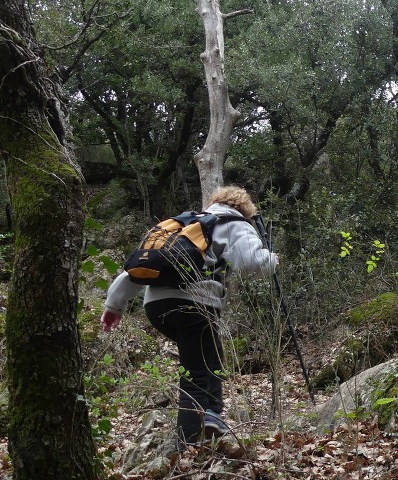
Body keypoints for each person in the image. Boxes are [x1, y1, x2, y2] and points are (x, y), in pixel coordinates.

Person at [101, 186, 278, 446]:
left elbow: (145, 265)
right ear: (245, 208)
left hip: (156, 306)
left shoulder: (185, 224)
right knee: (196, 370)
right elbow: (251, 264)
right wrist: (273, 259)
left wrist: (113, 306)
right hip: (195, 302)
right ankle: (188, 443)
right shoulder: (234, 222)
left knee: (211, 354)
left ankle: (211, 416)